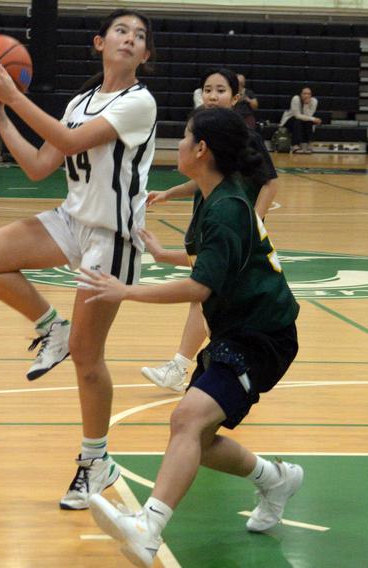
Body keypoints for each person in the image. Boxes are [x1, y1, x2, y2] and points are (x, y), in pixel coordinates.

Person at [77, 107, 302, 568]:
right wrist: (164, 253)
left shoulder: (226, 208)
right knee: (196, 434)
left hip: (263, 335)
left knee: (186, 420)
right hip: (239, 329)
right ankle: (275, 478)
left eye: (183, 136)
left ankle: (149, 528)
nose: (177, 144)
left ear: (201, 149)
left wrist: (127, 291)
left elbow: (201, 287)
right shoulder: (214, 195)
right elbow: (215, 261)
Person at [0, 10, 157, 510]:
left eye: (139, 36)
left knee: (88, 360)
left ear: (146, 55)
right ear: (99, 42)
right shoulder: (80, 101)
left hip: (111, 237)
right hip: (73, 220)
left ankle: (96, 461)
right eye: (121, 31)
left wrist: (13, 96)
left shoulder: (139, 103)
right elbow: (37, 166)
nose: (130, 39)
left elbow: (69, 142)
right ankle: (51, 327)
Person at [140, 67, 280, 391]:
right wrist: (168, 194)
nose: (213, 95)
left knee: (205, 296)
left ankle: (181, 368)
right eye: (207, 89)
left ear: (236, 97)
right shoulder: (210, 136)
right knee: (211, 300)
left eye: (220, 90)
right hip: (213, 223)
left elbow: (270, 184)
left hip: (234, 229)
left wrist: (253, 222)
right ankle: (224, 366)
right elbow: (204, 179)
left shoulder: (246, 138)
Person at [280, 87, 321, 154]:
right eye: (304, 93)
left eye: (309, 94)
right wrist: (314, 119)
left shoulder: (314, 101)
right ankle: (295, 145)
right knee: (298, 120)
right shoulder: (296, 99)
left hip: (303, 121)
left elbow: (308, 116)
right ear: (300, 94)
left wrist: (306, 105)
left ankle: (308, 144)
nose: (306, 95)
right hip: (289, 120)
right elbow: (297, 115)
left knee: (309, 121)